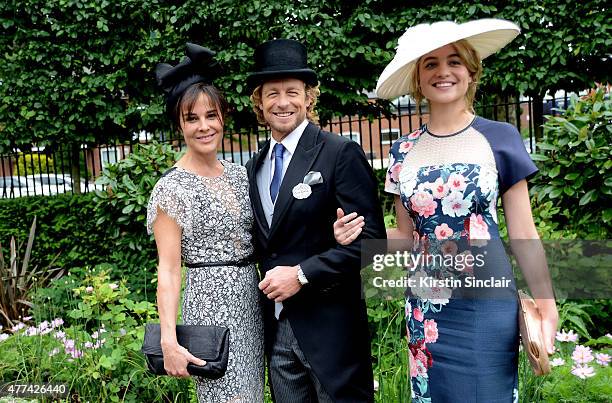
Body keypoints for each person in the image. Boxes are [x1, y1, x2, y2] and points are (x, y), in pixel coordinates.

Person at [146, 43, 362, 403]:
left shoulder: (241, 173)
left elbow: (280, 230)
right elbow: (168, 270)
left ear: (223, 118)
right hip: (211, 312)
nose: (204, 126)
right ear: (178, 125)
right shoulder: (170, 189)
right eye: (192, 118)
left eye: (211, 115)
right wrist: (169, 339)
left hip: (256, 307)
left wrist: (332, 233)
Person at [371, 19, 559, 401]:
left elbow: (524, 234)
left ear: (471, 72)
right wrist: (354, 234)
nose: (443, 71)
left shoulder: (499, 137)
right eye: (430, 63)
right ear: (417, 80)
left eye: (454, 61)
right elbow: (405, 237)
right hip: (425, 309)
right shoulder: (402, 151)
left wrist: (546, 304)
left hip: (487, 305)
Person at [245, 39, 387, 403]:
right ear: (259, 102)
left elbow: (372, 245)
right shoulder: (254, 167)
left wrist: (302, 274)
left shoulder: (339, 153)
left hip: (331, 332)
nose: (283, 102)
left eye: (293, 92)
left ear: (309, 97)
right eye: (272, 93)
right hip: (277, 331)